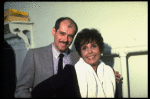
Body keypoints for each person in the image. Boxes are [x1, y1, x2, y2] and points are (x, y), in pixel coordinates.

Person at [14, 17, 121, 98]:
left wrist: (110, 75)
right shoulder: (34, 54)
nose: (65, 39)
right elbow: (21, 89)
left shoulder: (79, 58)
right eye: (62, 33)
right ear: (53, 32)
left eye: (70, 36)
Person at [31, 28, 116, 98]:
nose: (90, 51)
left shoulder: (109, 73)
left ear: (100, 49)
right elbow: (37, 92)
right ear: (80, 53)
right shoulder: (70, 72)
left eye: (93, 46)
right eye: (85, 48)